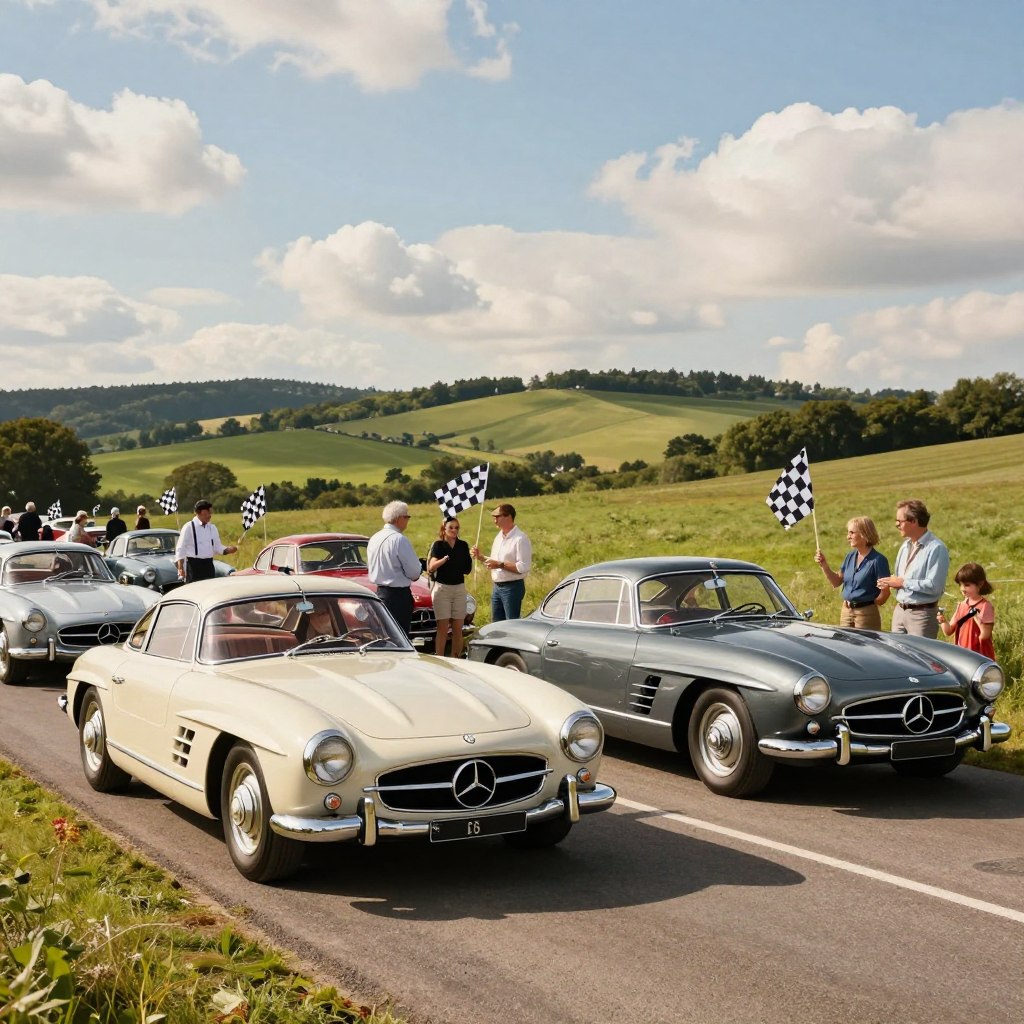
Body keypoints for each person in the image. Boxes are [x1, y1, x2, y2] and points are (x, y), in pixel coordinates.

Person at [877, 499, 949, 639]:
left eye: (900, 521)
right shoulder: (904, 546)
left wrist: (902, 583)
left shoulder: (936, 548)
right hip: (899, 612)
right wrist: (889, 582)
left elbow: (935, 586)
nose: (896, 524)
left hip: (922, 616)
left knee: (920, 659)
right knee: (898, 658)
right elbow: (899, 579)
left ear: (914, 521)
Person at [813, 516, 890, 630]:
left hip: (866, 614)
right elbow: (836, 582)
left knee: (866, 646)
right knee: (846, 646)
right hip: (846, 612)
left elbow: (885, 592)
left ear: (865, 534)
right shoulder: (850, 557)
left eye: (852, 533)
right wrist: (824, 565)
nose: (848, 536)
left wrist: (870, 605)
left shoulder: (878, 560)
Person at [366, 500, 422, 637]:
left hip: (380, 593)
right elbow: (414, 572)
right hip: (398, 596)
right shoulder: (399, 539)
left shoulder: (374, 538)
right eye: (406, 517)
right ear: (398, 518)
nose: (408, 520)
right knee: (400, 637)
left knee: (384, 637)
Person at [471, 503, 532, 622]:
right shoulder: (498, 537)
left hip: (512, 587)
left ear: (508, 516)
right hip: (497, 587)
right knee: (497, 623)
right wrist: (481, 557)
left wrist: (500, 564)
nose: (495, 520)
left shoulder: (520, 539)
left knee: (511, 623)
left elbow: (523, 567)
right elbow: (495, 561)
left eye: (497, 517)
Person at [427, 517, 473, 657]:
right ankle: (440, 657)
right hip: (442, 589)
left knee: (458, 628)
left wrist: (472, 556)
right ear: (444, 529)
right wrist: (445, 559)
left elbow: (467, 569)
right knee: (443, 628)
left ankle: (456, 658)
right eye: (451, 527)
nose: (454, 530)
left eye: (456, 527)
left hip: (459, 588)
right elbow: (431, 567)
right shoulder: (438, 545)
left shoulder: (463, 545)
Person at [938, 563, 995, 658]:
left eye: (967, 585)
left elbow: (985, 636)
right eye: (960, 585)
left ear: (980, 584)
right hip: (962, 655)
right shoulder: (962, 605)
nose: (962, 589)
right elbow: (949, 631)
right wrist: (943, 621)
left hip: (979, 656)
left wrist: (977, 619)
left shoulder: (985, 606)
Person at [174, 499, 238, 583]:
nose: (209, 515)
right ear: (198, 513)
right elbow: (181, 548)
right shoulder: (189, 527)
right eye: (206, 513)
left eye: (210, 512)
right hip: (194, 566)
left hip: (208, 565)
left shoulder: (212, 528)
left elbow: (217, 547)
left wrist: (228, 550)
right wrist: (180, 567)